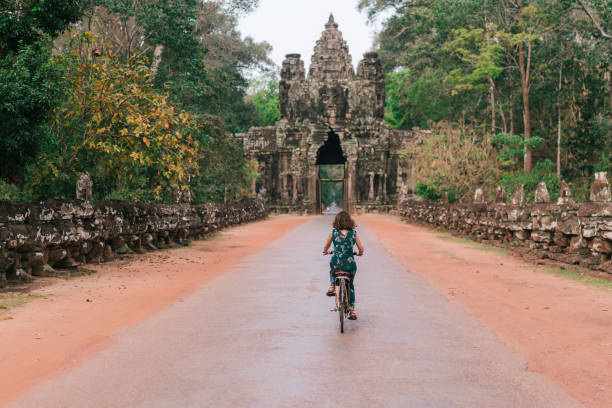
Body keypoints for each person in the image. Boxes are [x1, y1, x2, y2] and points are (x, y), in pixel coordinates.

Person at [322, 211, 364, 320]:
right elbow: (361, 249)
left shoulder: (333, 233)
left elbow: (325, 247)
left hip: (336, 262)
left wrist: (327, 251)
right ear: (350, 221)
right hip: (350, 264)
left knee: (332, 269)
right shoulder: (354, 233)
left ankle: (332, 286)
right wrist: (359, 253)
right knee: (351, 285)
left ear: (337, 221)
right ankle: (352, 310)